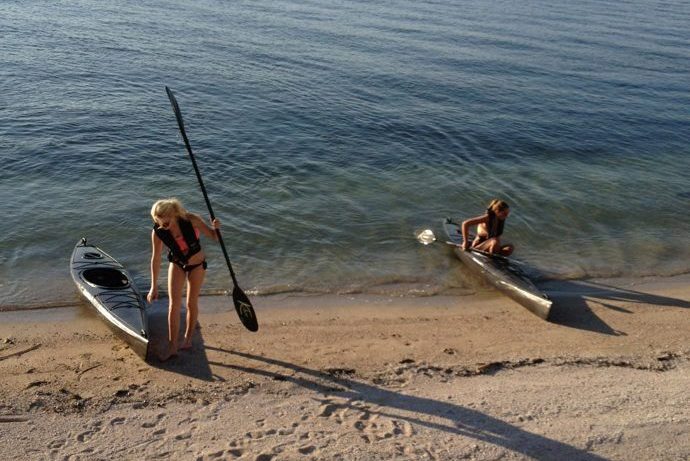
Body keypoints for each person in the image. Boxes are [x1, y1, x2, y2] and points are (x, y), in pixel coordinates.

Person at [147, 198, 220, 361]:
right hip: (178, 263)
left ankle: (187, 339)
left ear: (174, 214)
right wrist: (153, 286)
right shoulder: (158, 231)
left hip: (197, 265)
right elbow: (155, 258)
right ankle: (173, 347)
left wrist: (216, 228)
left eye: (166, 223)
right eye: (158, 222)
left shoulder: (191, 219)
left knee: (190, 302)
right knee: (173, 304)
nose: (162, 226)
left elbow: (214, 237)